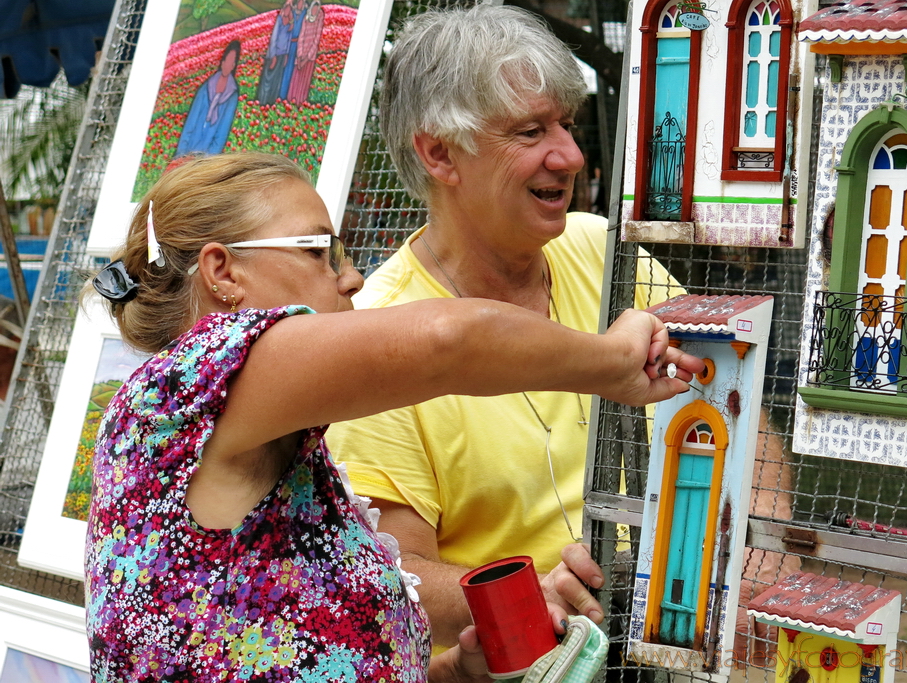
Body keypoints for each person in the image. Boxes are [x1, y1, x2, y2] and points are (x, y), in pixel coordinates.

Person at [84, 152, 696, 682]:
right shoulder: (181, 388)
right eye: (321, 250)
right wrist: (610, 361)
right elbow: (448, 341)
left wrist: (455, 673)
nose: (350, 277)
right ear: (224, 273)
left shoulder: (284, 452)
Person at [324, 4, 705, 648]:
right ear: (440, 153)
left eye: (567, 123)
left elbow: (732, 401)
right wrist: (527, 595)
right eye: (530, 131)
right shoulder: (376, 334)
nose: (572, 155)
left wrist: (755, 551)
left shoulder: (601, 249)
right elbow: (395, 574)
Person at [174, 41, 241, 158]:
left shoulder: (232, 95)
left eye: (232, 62)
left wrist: (206, 160)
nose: (228, 64)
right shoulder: (207, 87)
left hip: (205, 157)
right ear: (222, 61)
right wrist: (181, 155)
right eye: (227, 60)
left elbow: (221, 134)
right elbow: (190, 123)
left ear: (233, 66)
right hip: (189, 149)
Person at [256, 1, 293, 105]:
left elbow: (289, 39)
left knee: (276, 80)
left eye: (290, 9)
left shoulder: (289, 23)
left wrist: (286, 55)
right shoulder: (279, 20)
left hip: (282, 55)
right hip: (274, 54)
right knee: (267, 79)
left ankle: (271, 102)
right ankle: (262, 101)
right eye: (286, 8)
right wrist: (273, 56)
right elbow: (274, 38)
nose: (287, 11)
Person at [286, 0, 323, 103]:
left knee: (304, 81)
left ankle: (300, 102)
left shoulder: (319, 20)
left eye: (317, 8)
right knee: (296, 79)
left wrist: (306, 58)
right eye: (314, 8)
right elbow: (301, 36)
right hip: (301, 55)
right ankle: (291, 101)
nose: (315, 10)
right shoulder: (306, 19)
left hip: (309, 58)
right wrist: (299, 55)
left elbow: (316, 40)